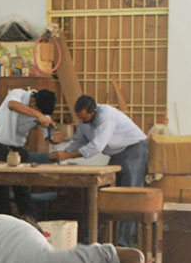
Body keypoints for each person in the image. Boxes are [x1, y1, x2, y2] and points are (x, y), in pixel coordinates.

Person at [50, 95, 149, 248]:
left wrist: (68, 156)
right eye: (80, 118)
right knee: (107, 195)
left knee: (129, 197)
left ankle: (124, 244)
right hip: (117, 153)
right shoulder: (84, 121)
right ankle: (99, 240)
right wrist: (62, 155)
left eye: (85, 118)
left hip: (135, 149)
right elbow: (78, 141)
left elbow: (97, 146)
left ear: (94, 112)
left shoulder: (106, 115)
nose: (82, 121)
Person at [0, 88, 58, 218]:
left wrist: (53, 137)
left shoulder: (42, 113)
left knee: (23, 190)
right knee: (1, 193)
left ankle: (29, 224)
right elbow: (12, 105)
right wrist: (38, 115)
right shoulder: (18, 94)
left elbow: (48, 136)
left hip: (17, 150)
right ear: (33, 100)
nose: (39, 115)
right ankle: (2, 226)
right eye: (38, 111)